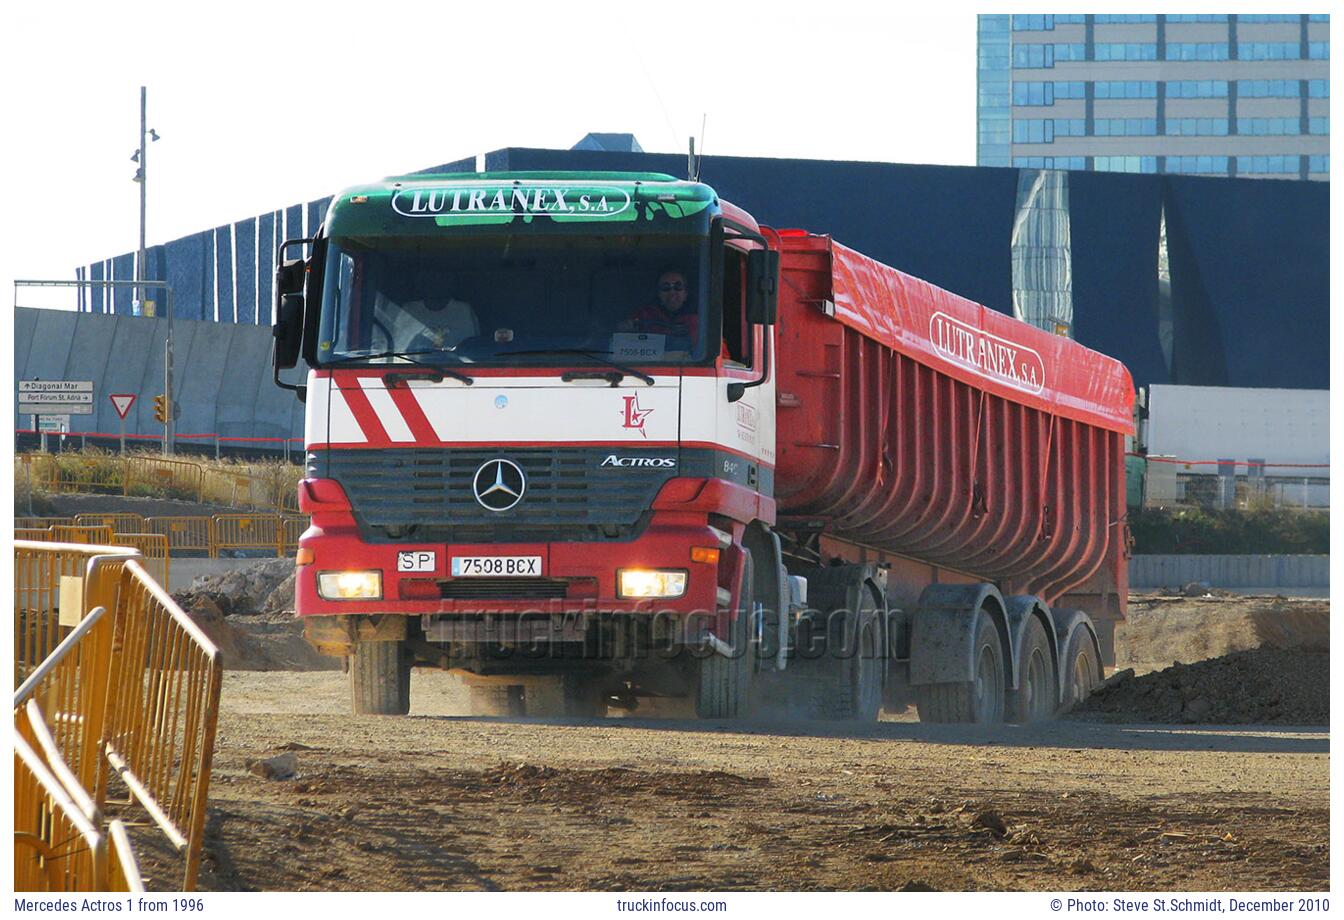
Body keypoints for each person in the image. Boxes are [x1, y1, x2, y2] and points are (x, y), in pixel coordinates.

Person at [620, 269, 700, 348]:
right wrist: (625, 330)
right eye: (665, 288)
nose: (672, 292)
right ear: (658, 294)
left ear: (686, 293)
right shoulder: (643, 315)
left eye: (678, 287)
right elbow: (624, 341)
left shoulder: (701, 320)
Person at [402, 294, 479, 353]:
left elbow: (475, 350)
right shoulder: (409, 310)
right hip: (413, 368)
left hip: (460, 369)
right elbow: (399, 351)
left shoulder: (464, 310)